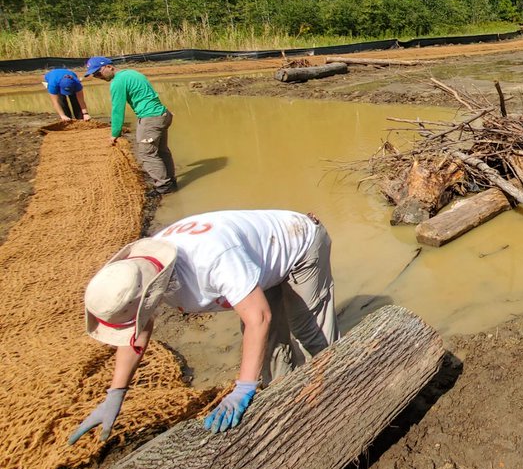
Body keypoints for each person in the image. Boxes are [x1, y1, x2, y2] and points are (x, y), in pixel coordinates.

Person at [69, 209, 339, 442]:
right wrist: (116, 393)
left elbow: (259, 317)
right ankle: (288, 401)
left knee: (309, 331)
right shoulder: (140, 273)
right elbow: (137, 333)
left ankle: (337, 389)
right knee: (268, 348)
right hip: (257, 262)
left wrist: (243, 388)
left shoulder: (212, 260)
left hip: (298, 243)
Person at [84, 56, 177, 194]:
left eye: (98, 72)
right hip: (163, 114)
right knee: (162, 150)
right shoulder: (132, 73)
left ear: (109, 67)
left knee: (147, 153)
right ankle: (170, 180)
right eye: (94, 74)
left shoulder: (117, 82)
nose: (97, 76)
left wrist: (115, 133)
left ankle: (164, 186)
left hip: (150, 118)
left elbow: (117, 109)